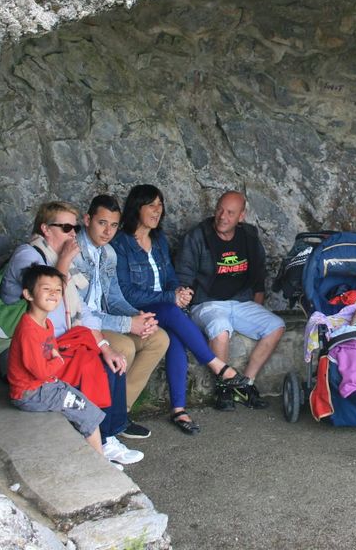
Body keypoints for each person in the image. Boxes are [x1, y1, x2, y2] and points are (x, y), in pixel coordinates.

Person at [0, 201, 143, 465]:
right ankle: (103, 439)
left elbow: (81, 309)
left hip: (63, 338)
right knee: (97, 365)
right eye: (65, 227)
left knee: (114, 360)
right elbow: (48, 304)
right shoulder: (29, 256)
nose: (72, 234)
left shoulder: (61, 258)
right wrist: (64, 262)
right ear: (45, 229)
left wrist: (103, 344)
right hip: (29, 347)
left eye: (75, 228)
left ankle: (110, 435)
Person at [111, 184, 247, 435]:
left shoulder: (159, 239)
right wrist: (170, 298)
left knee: (175, 338)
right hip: (134, 309)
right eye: (151, 205)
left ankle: (178, 410)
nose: (157, 211)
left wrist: (180, 293)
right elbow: (126, 292)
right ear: (136, 208)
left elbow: (171, 278)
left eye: (160, 205)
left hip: (163, 307)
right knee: (173, 314)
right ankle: (218, 367)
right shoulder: (121, 244)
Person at [175, 191, 285, 411]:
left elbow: (258, 275)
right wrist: (184, 298)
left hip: (240, 302)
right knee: (220, 328)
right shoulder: (198, 236)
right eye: (220, 210)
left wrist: (257, 302)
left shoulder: (249, 237)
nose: (223, 217)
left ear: (241, 217)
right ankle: (224, 386)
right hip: (207, 303)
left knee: (276, 326)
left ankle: (245, 384)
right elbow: (183, 275)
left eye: (230, 213)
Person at [72, 194, 170, 440]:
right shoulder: (74, 252)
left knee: (159, 338)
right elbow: (79, 312)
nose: (108, 232)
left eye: (114, 225)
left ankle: (119, 414)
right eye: (102, 223)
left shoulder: (109, 254)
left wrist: (138, 316)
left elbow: (114, 298)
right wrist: (128, 324)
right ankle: (106, 422)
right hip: (83, 326)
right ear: (87, 220)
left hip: (105, 320)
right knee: (124, 346)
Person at [8, 265, 110, 458]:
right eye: (46, 289)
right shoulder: (29, 331)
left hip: (41, 386)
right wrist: (58, 361)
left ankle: (98, 455)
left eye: (58, 290)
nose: (54, 294)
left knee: (84, 402)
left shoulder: (45, 323)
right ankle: (102, 463)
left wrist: (55, 362)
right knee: (89, 414)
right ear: (28, 294)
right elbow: (41, 371)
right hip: (30, 392)